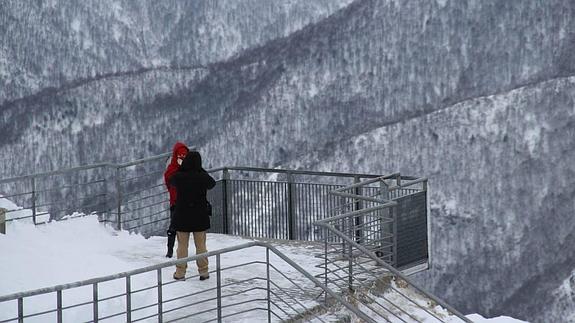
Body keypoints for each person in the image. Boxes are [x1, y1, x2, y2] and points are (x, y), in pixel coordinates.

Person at [169, 151, 216, 281]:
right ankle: (204, 272)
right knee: (201, 246)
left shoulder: (179, 176)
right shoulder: (202, 177)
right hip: (199, 216)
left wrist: (181, 167)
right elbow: (212, 183)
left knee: (182, 246)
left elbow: (171, 181)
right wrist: (200, 170)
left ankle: (180, 273)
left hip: (182, 216)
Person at [163, 142, 190, 258]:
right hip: (178, 201)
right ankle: (170, 250)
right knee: (174, 226)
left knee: (177, 226)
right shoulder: (173, 169)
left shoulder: (173, 168)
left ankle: (177, 250)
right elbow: (169, 181)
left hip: (181, 201)